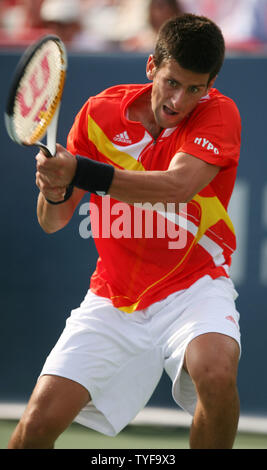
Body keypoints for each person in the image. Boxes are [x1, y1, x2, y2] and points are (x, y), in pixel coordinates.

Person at [8, 14, 242, 449]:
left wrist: (80, 170)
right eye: (172, 82)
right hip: (113, 296)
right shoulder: (98, 115)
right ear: (152, 66)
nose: (179, 100)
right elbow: (53, 220)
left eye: (196, 89)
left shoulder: (219, 114)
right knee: (36, 426)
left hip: (193, 286)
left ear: (209, 86)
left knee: (215, 370)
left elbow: (177, 187)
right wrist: (55, 188)